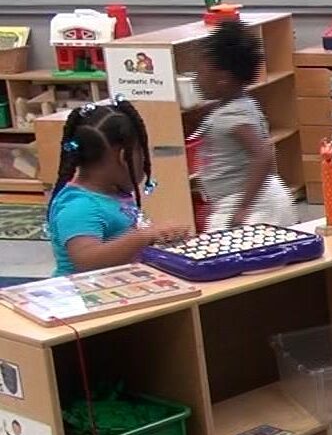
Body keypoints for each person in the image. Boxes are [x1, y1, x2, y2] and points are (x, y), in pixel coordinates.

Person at [47, 98, 186, 275]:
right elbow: (87, 261)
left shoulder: (112, 193)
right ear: (123, 157)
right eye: (142, 155)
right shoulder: (79, 206)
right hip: (83, 296)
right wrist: (145, 236)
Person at [185, 20, 294, 229]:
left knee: (220, 257)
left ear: (222, 79)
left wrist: (242, 208)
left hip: (251, 205)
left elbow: (263, 156)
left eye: (200, 73)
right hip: (246, 199)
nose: (197, 80)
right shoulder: (237, 105)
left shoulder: (232, 114)